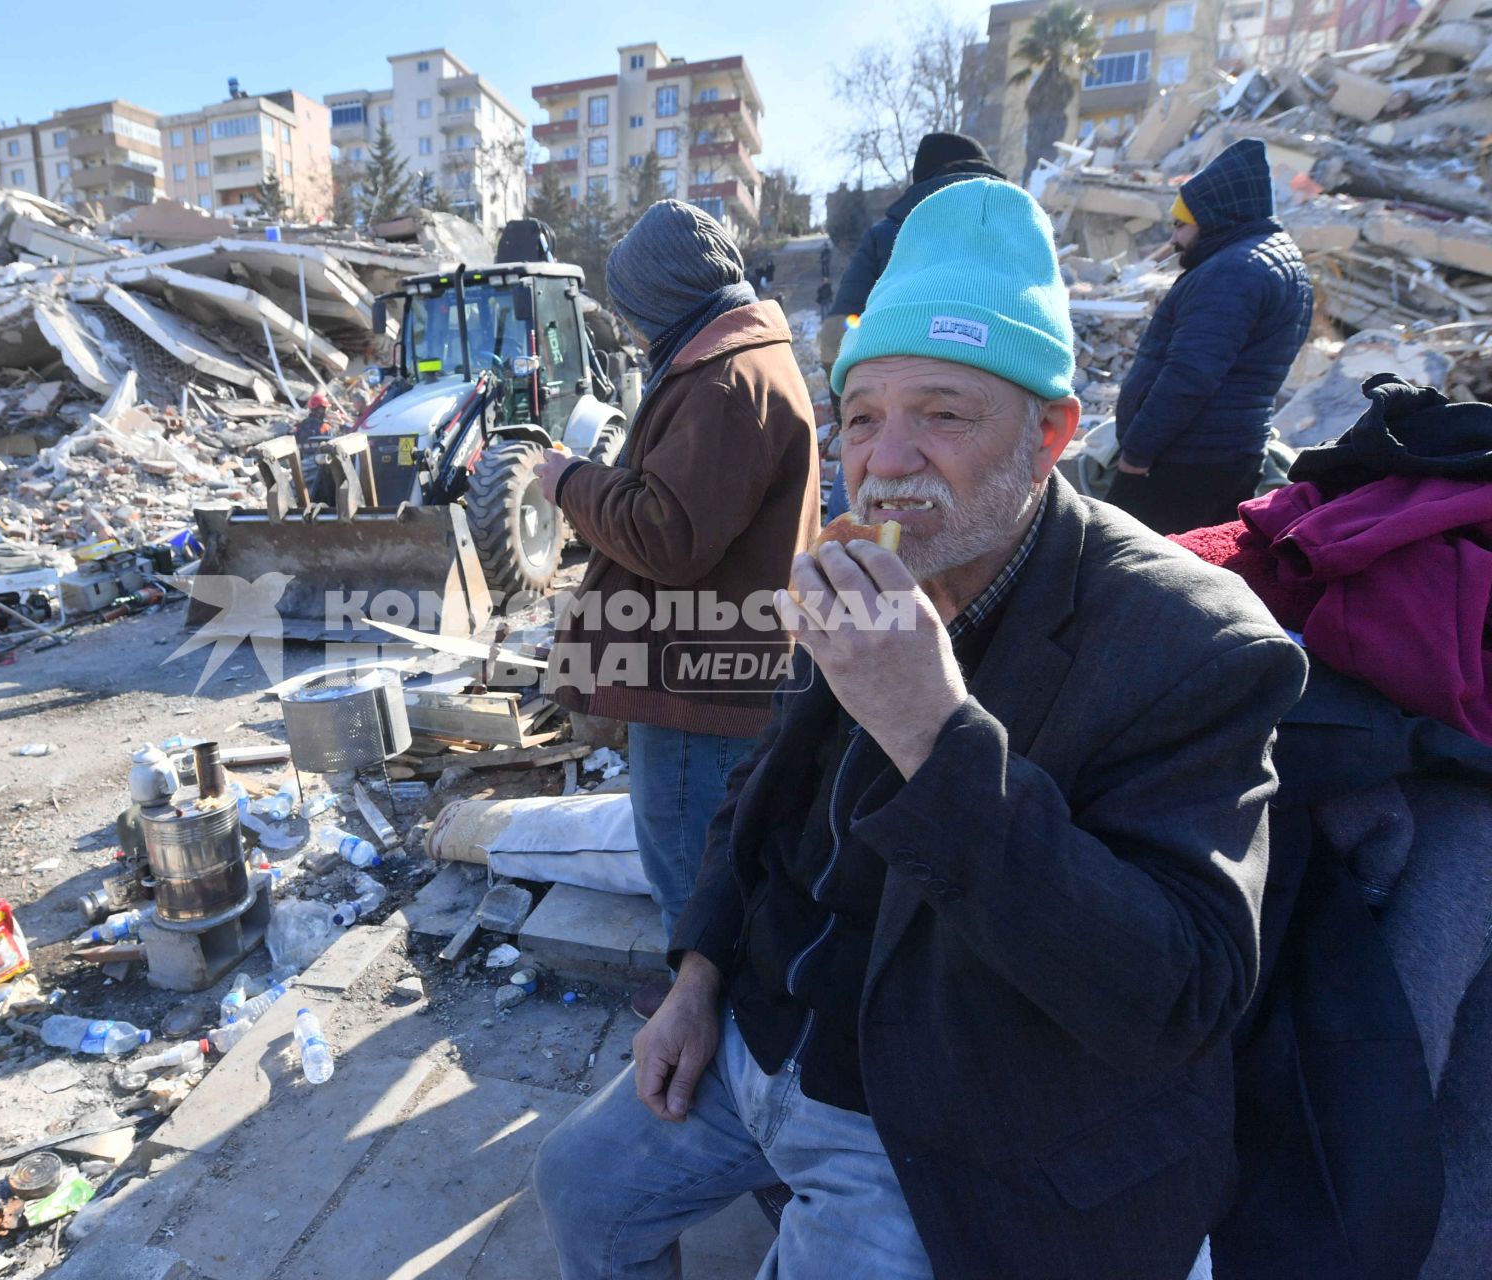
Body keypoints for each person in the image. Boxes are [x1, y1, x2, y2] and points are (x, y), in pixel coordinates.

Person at [534, 178, 1307, 1279]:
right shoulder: (869, 564)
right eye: (862, 417)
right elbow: (756, 788)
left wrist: (935, 731)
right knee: (578, 1187)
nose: (887, 460)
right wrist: (698, 972)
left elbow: (1178, 994)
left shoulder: (1191, 641)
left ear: (1050, 432)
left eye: (943, 413)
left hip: (938, 1116)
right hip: (762, 1037)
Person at [532, 201, 818, 1016]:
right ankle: (716, 1020)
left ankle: (708, 1038)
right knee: (708, 867)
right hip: (708, 666)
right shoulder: (733, 361)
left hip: (697, 684)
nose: (628, 326)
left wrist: (569, 482)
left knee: (691, 874)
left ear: (663, 298)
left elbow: (668, 535)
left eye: (632, 308)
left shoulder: (725, 380)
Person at [1107, 138, 1314, 534]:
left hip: (1185, 464)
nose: (1174, 239)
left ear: (1215, 217)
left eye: (1182, 225)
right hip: (1225, 455)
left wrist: (1137, 454)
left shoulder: (1232, 273)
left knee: (1127, 574)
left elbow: (1189, 375)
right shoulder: (1274, 256)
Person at [821, 132, 1005, 520]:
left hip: (887, 403)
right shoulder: (1014, 233)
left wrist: (855, 418)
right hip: (993, 430)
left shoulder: (889, 233)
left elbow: (839, 330)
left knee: (854, 529)